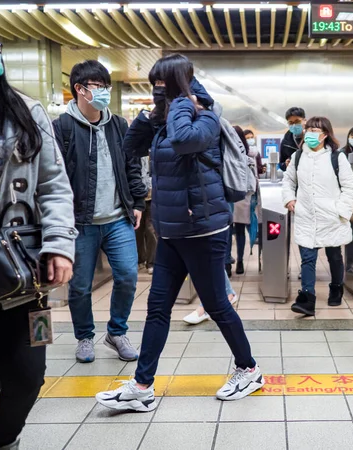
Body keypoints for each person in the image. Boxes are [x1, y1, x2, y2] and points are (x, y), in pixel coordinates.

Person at [96, 54, 263, 411]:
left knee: (217, 305)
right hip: (172, 229)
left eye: (160, 84)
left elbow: (186, 140)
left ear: (176, 84)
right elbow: (130, 147)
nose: (155, 90)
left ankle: (249, 369)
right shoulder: (164, 118)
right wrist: (149, 114)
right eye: (152, 85)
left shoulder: (204, 117)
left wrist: (181, 105)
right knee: (157, 307)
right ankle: (142, 386)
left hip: (203, 228)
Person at [0, 15, 77, 448]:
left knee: (28, 372)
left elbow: (54, 186)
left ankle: (3, 439)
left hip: (19, 266)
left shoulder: (25, 111)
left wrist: (59, 246)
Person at [53, 60, 147, 364]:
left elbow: (132, 165)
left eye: (106, 86)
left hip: (117, 217)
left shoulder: (119, 125)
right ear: (80, 90)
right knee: (79, 285)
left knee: (128, 275)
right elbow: (52, 175)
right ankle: (84, 336)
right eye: (98, 86)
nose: (104, 91)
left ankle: (117, 331)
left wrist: (137, 203)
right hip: (79, 222)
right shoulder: (61, 128)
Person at [282, 117, 353, 316]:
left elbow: (350, 187)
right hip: (306, 215)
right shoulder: (298, 157)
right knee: (307, 258)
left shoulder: (336, 158)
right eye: (309, 130)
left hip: (331, 217)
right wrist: (289, 199)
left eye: (315, 130)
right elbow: (288, 180)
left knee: (334, 256)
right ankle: (307, 299)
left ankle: (336, 288)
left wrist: (340, 210)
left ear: (325, 134)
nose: (311, 134)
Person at [233, 125, 264, 275]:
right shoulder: (253, 153)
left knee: (241, 230)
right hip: (248, 195)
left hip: (240, 195)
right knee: (251, 228)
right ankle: (255, 261)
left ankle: (240, 261)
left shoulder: (233, 153)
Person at [136, 155, 157, 274]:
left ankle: (151, 262)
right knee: (138, 229)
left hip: (153, 196)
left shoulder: (154, 152)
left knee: (151, 229)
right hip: (137, 197)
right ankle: (141, 259)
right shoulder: (135, 151)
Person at [279, 107, 306, 171]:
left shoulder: (313, 138)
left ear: (305, 121)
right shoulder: (285, 142)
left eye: (297, 121)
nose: (294, 125)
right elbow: (281, 164)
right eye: (291, 122)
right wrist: (286, 165)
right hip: (294, 177)